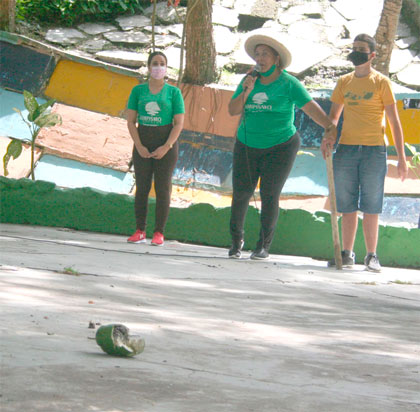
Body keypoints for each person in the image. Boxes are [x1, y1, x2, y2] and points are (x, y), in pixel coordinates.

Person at [228, 30, 337, 260]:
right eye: (257, 54)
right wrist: (246, 91)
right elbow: (233, 110)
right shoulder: (248, 80)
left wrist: (329, 126)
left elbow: (310, 106)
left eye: (265, 54)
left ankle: (263, 246)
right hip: (247, 144)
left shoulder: (289, 83)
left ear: (276, 59)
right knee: (241, 194)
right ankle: (236, 241)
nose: (260, 58)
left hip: (281, 146)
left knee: (269, 194)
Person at [321, 33, 408, 272]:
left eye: (361, 49)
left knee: (371, 205)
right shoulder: (344, 83)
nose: (356, 52)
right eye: (354, 48)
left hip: (374, 151)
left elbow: (394, 121)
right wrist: (328, 138)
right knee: (346, 205)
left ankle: (372, 255)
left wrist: (400, 158)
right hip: (346, 150)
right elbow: (334, 118)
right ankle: (346, 253)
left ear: (371, 55)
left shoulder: (381, 82)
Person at [126, 51, 185, 246]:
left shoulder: (174, 93)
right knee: (142, 187)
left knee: (162, 188)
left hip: (166, 145)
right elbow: (131, 122)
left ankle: (159, 232)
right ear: (149, 67)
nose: (158, 67)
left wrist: (166, 146)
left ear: (166, 68)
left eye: (162, 63)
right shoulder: (138, 91)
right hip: (143, 143)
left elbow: (178, 124)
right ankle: (139, 230)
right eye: (155, 63)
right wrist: (139, 146)